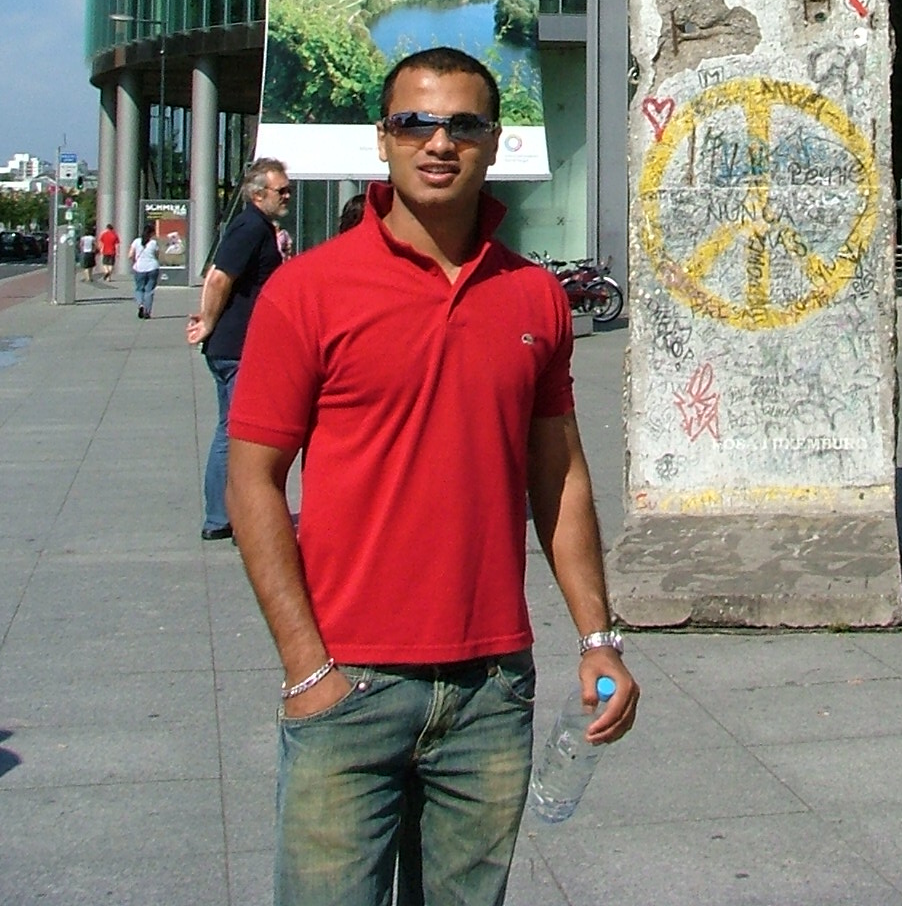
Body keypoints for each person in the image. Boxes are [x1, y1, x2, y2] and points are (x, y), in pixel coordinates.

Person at [227, 47, 638, 906]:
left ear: (495, 141)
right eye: (415, 122)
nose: (439, 142)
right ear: (383, 140)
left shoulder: (534, 297)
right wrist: (306, 668)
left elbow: (559, 476)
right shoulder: (307, 291)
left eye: (463, 124)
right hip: (348, 682)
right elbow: (252, 481)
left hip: (492, 688)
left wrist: (597, 638)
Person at [186, 160, 288, 542]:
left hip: (236, 345)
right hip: (236, 348)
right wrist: (208, 323)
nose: (287, 196)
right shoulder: (250, 227)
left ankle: (223, 514)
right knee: (234, 432)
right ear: (258, 194)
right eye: (281, 191)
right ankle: (220, 516)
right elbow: (218, 277)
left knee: (231, 429)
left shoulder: (256, 227)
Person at [129, 222, 162, 318]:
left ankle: (140, 304)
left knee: (139, 288)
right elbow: (157, 255)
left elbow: (130, 255)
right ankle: (147, 311)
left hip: (139, 268)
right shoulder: (153, 243)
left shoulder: (136, 242)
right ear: (151, 233)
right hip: (152, 268)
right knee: (149, 290)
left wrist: (135, 261)